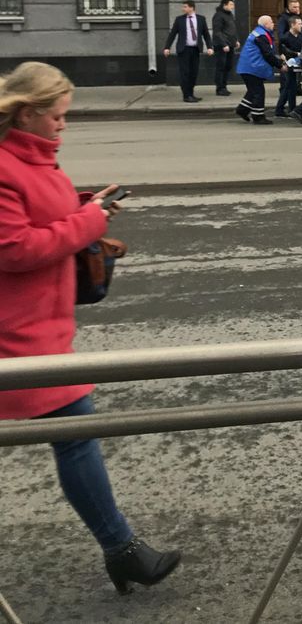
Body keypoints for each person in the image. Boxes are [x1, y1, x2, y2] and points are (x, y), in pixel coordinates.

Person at [0, 62, 181, 595]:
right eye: (57, 116)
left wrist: (88, 208)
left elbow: (39, 220)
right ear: (27, 114)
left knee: (74, 436)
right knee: (76, 435)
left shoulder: (33, 156)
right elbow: (14, 249)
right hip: (16, 333)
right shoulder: (5, 166)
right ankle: (123, 550)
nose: (64, 124)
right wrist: (87, 222)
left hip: (40, 325)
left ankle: (122, 551)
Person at [235, 15, 285, 125]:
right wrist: (280, 65)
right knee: (258, 92)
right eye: (271, 22)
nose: (273, 24)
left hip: (248, 66)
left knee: (253, 90)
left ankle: (242, 110)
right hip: (252, 68)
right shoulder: (262, 35)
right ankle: (258, 116)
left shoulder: (259, 33)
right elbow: (267, 54)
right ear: (266, 24)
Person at [163, 1, 213, 103]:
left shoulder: (201, 19)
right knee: (185, 73)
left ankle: (191, 93)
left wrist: (209, 47)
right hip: (184, 49)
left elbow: (206, 34)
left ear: (192, 8)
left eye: (185, 7)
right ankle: (186, 95)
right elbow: (172, 34)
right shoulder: (179, 20)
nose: (183, 9)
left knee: (194, 72)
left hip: (195, 49)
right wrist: (167, 47)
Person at [275, 16, 302, 118]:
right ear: (292, 25)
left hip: (297, 65)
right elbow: (283, 51)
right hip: (287, 65)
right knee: (289, 86)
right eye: (299, 24)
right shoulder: (285, 37)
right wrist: (297, 54)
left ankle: (288, 109)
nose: (301, 25)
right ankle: (282, 109)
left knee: (291, 86)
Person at [211, 0, 240, 97]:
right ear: (224, 5)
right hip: (222, 46)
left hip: (230, 45)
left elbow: (232, 29)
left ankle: (224, 86)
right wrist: (224, 44)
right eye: (231, 4)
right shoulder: (218, 16)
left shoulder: (230, 15)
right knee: (221, 67)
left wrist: (236, 40)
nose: (233, 7)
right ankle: (219, 88)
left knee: (228, 66)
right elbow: (217, 32)